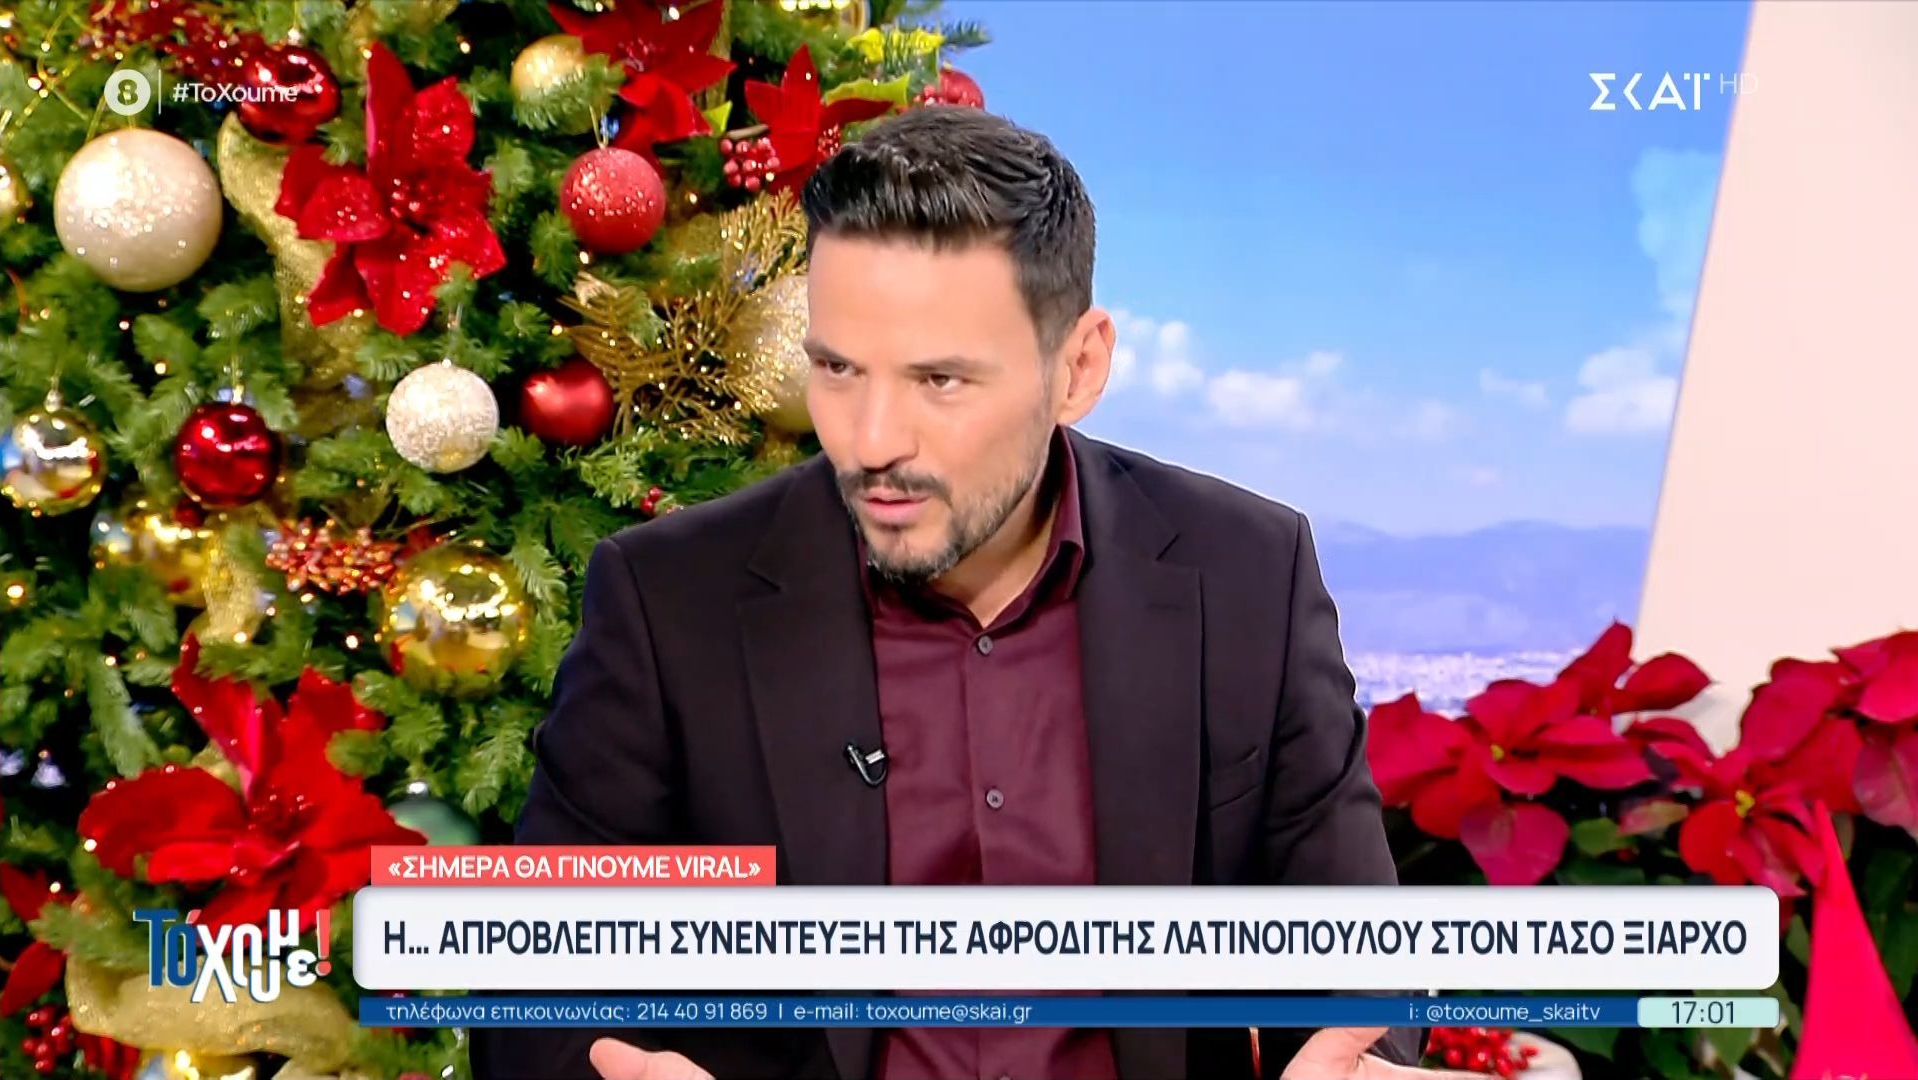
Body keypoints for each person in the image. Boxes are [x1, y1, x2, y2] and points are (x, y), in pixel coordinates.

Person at [470, 105, 1437, 1080]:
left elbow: (1352, 963)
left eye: (939, 380)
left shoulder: (1247, 574)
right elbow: (536, 1005)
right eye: (837, 369)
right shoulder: (668, 600)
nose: (872, 440)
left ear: (1079, 368)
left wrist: (1361, 1066)